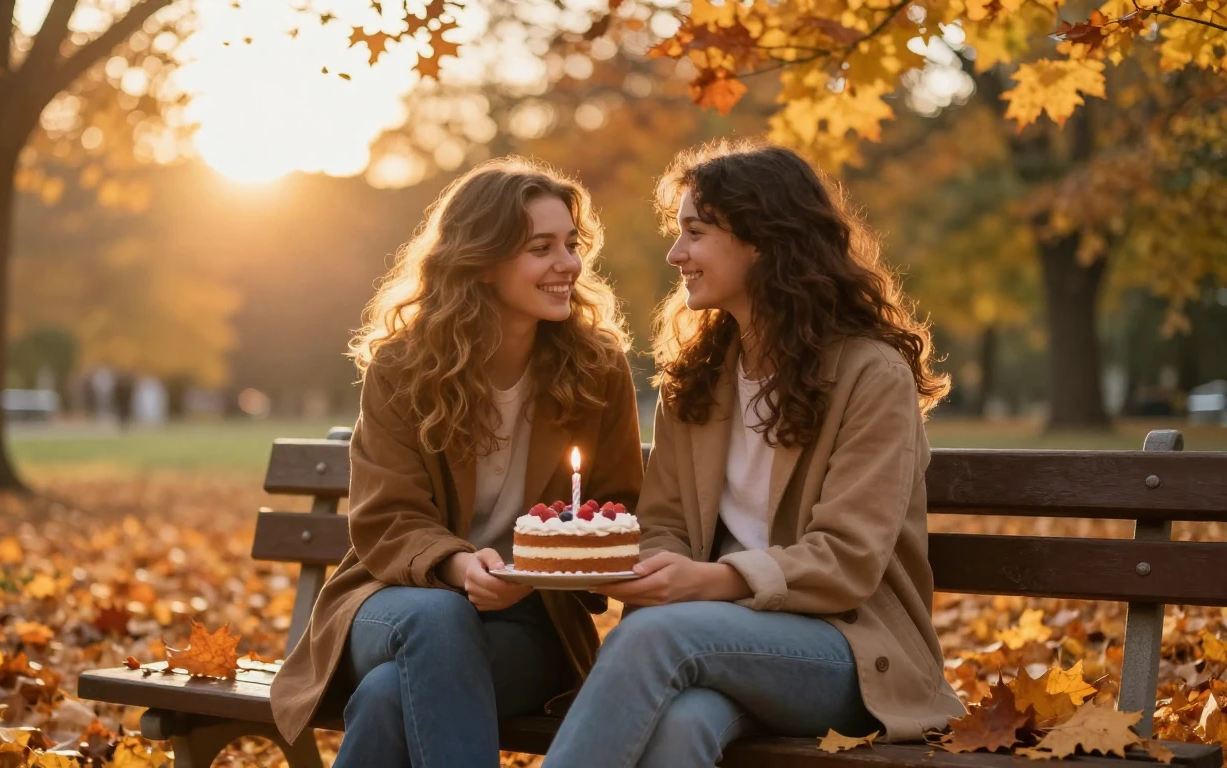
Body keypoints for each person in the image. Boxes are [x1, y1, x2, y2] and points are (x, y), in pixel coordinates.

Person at [540, 139, 966, 768]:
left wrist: (712, 581)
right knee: (682, 727)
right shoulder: (700, 377)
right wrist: (657, 570)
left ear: (763, 240)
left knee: (653, 635)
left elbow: (848, 558)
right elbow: (663, 524)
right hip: (717, 642)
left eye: (696, 232)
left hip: (847, 650)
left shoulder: (869, 375)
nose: (675, 253)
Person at [269, 157, 645, 768]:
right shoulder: (404, 368)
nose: (568, 265)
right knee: (438, 620)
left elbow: (618, 508)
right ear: (483, 259)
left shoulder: (597, 371)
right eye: (541, 248)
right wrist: (458, 566)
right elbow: (388, 518)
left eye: (571, 245)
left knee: (390, 699)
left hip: (527, 623)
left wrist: (546, 568)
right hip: (395, 601)